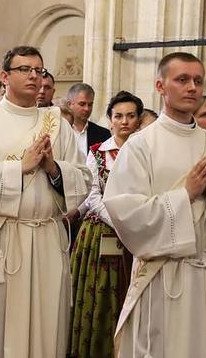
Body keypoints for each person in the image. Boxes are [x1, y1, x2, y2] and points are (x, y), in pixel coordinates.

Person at [103, 52, 206, 358]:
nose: (192, 87)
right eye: (182, 79)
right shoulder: (141, 145)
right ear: (160, 85)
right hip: (164, 278)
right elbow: (125, 212)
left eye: (198, 80)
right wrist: (185, 194)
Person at [0, 45, 91, 358]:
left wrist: (54, 169)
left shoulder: (57, 123)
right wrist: (21, 167)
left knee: (47, 324)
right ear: (5, 76)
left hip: (46, 238)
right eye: (25, 69)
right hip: (2, 237)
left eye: (39, 70)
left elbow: (84, 178)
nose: (34, 76)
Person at [69, 90, 143, 358]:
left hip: (139, 233)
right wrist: (119, 222)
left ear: (138, 120)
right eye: (118, 116)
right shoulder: (98, 152)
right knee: (100, 296)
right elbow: (92, 195)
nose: (124, 121)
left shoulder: (145, 151)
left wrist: (135, 224)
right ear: (110, 120)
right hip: (102, 232)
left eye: (131, 116)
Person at [66, 83, 111, 157]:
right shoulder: (60, 131)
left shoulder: (103, 134)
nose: (87, 109)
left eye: (90, 104)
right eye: (82, 104)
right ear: (69, 104)